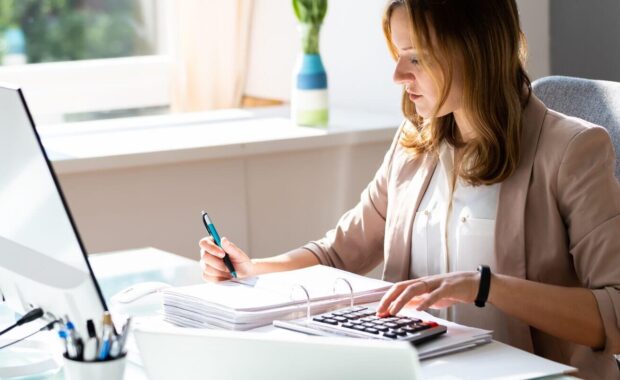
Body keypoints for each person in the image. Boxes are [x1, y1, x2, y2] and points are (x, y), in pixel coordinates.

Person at [199, 0, 620, 377]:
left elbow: (615, 312)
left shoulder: (571, 150)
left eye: (415, 58)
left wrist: (486, 286)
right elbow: (338, 253)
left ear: (473, 51)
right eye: (399, 55)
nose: (398, 75)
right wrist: (252, 269)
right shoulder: (415, 142)